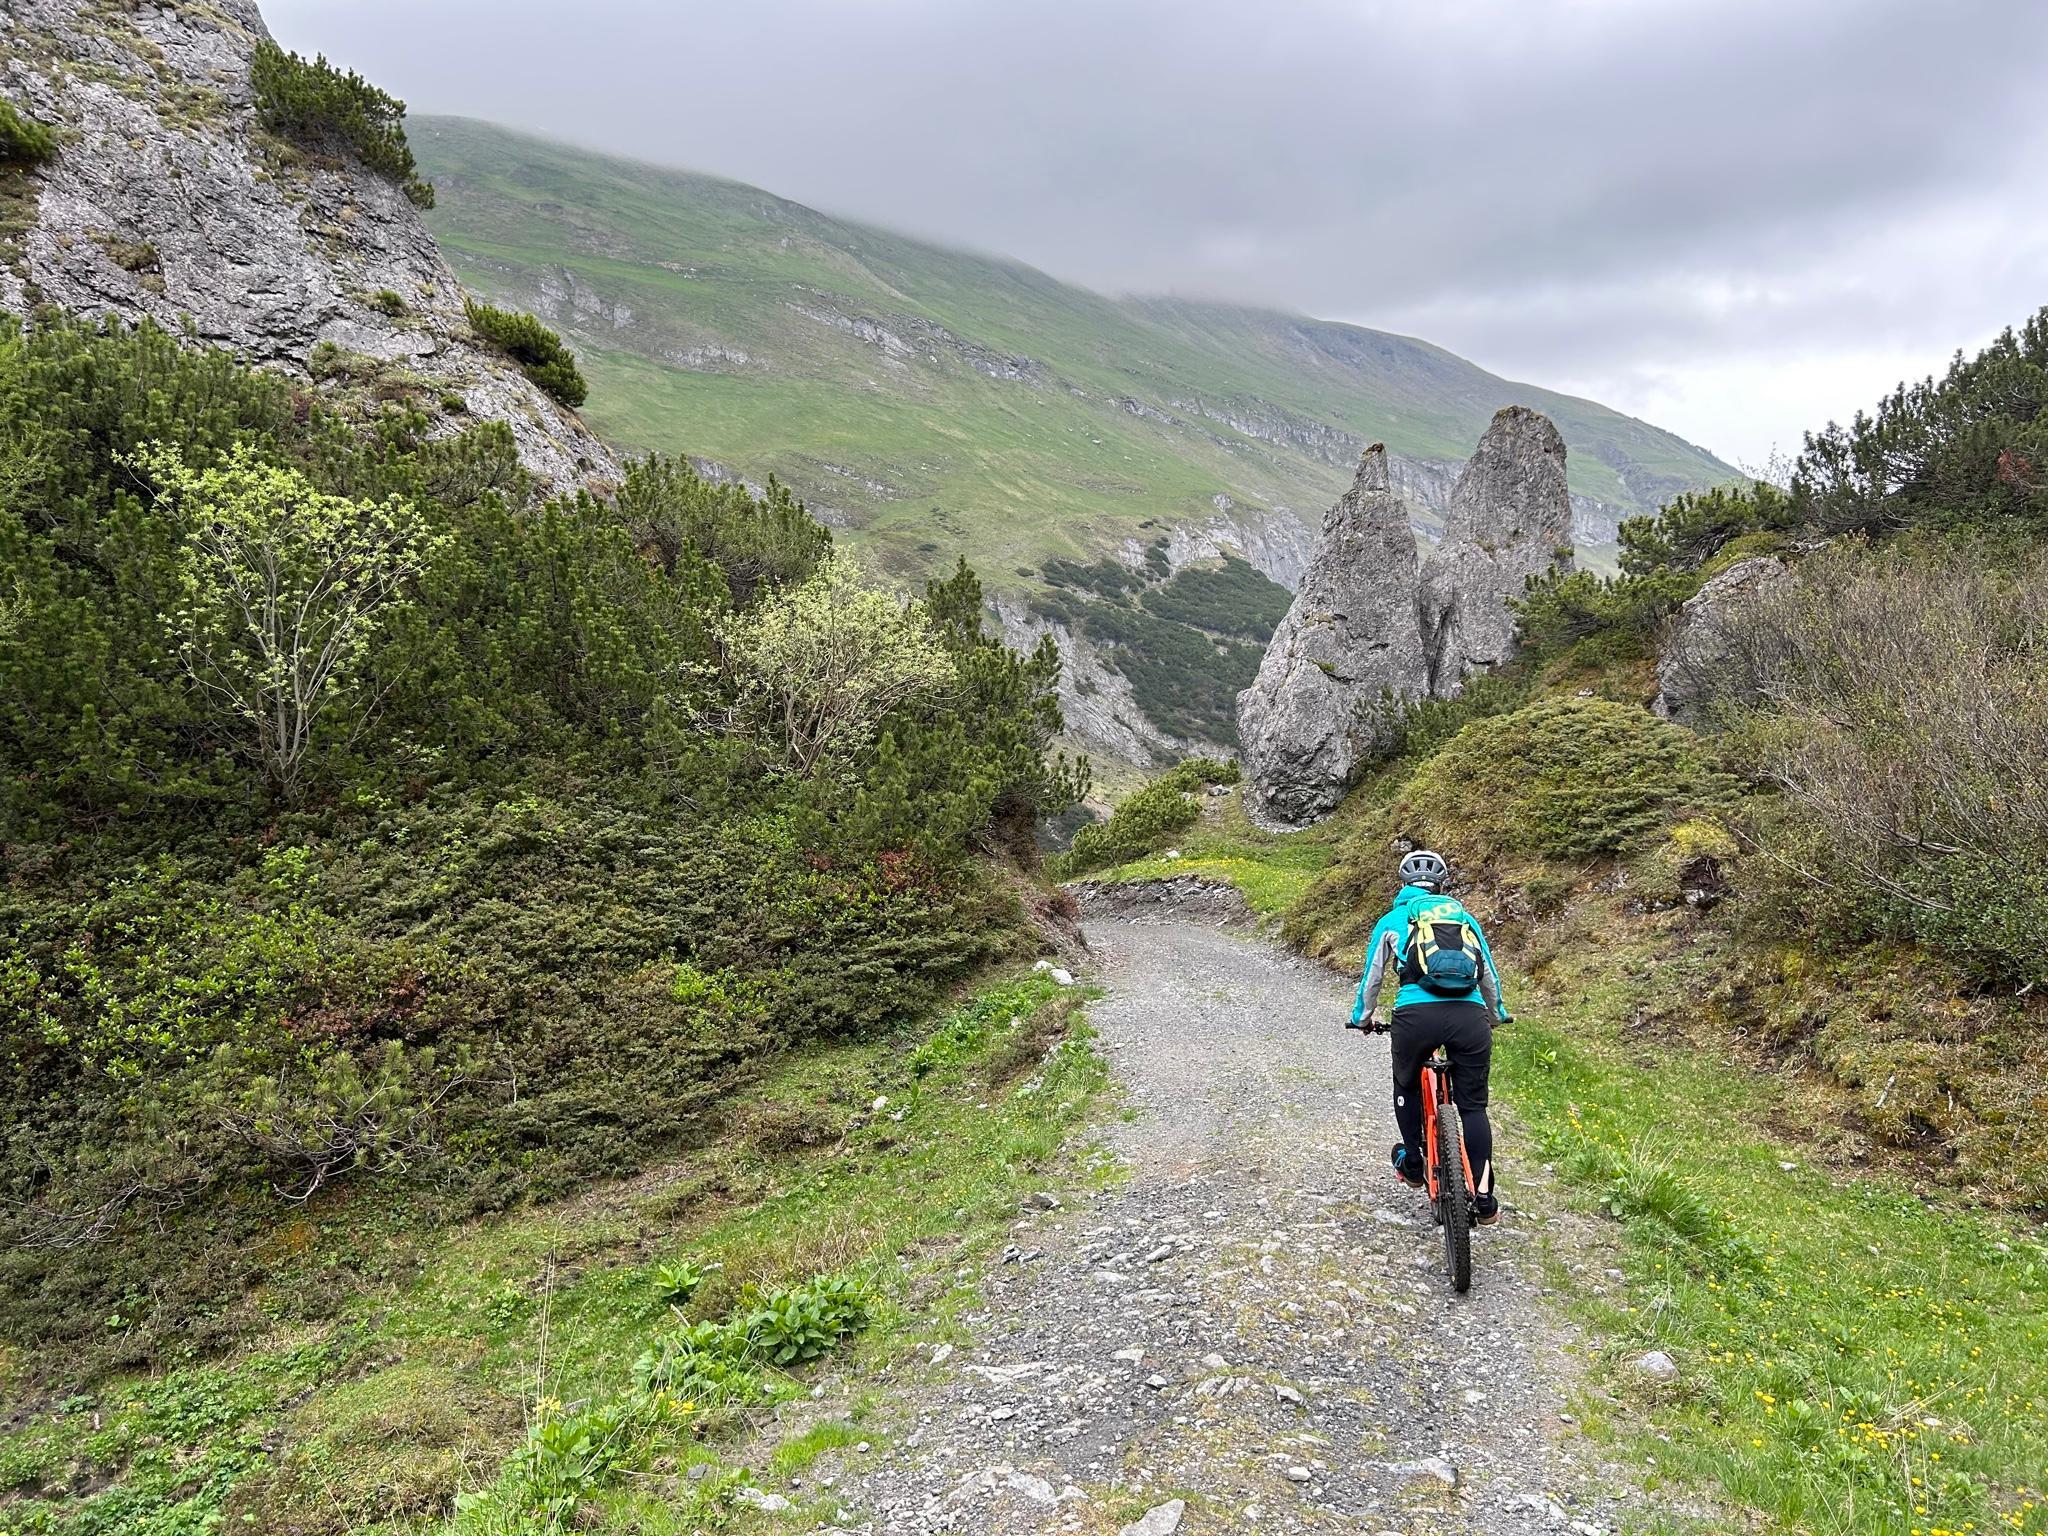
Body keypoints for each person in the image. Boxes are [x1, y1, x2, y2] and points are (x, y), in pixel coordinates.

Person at [1345, 848, 1511, 1224]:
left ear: (1404, 885)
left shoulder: (1392, 920)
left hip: (1415, 1016)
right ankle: (1485, 1199)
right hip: (1469, 1017)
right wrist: (1495, 1015)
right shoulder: (1464, 919)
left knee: (1405, 1083)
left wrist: (1362, 1019)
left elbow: (1373, 977)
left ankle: (1413, 1163)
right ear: (1440, 886)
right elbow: (1487, 974)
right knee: (1473, 1107)